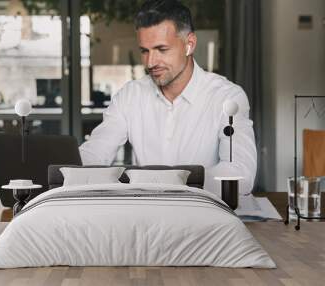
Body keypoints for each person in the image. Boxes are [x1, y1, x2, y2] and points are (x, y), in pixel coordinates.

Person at [79, 0, 257, 196]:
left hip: (202, 214)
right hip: (146, 214)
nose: (150, 62)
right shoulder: (129, 96)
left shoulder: (228, 98)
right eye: (144, 51)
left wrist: (169, 181)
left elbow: (241, 175)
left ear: (189, 45)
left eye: (162, 49)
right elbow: (96, 152)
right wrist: (68, 169)